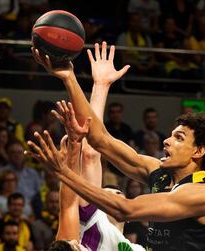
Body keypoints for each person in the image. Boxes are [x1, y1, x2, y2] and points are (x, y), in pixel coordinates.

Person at [30, 41, 205, 251]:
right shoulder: (159, 174)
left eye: (179, 138)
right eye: (170, 135)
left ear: (198, 151)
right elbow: (99, 139)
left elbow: (125, 209)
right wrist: (69, 78)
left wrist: (63, 172)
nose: (166, 141)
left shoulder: (203, 194)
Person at [28, 46, 146, 251]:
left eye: (111, 193)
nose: (112, 194)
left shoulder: (86, 230)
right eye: (110, 193)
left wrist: (100, 86)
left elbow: (90, 153)